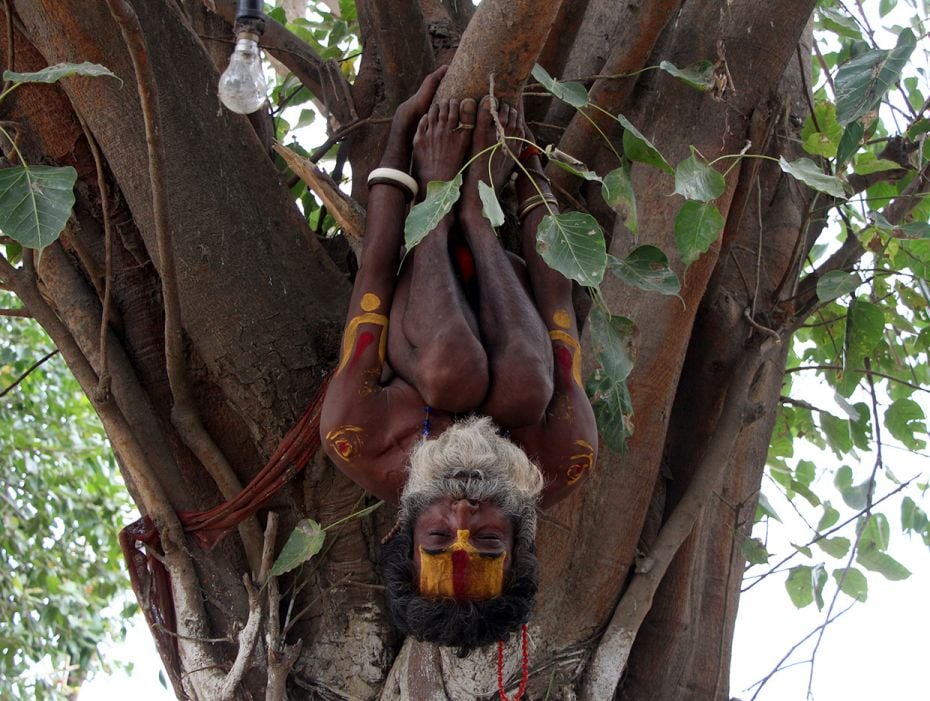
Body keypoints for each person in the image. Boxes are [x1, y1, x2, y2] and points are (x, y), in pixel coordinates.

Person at [320, 66, 597, 650]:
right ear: (521, 538)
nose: (465, 515)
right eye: (488, 542)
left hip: (427, 230)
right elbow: (557, 305)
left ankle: (454, 212)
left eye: (440, 538)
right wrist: (524, 168)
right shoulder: (562, 459)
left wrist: (406, 138)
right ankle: (473, 216)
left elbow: (372, 275)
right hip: (503, 260)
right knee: (525, 388)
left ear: (405, 528)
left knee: (451, 376)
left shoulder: (357, 439)